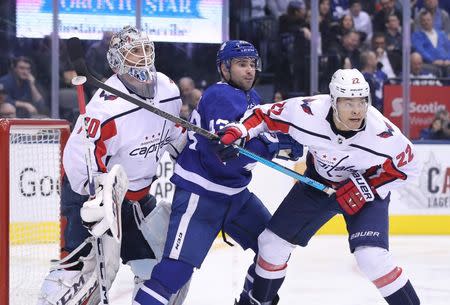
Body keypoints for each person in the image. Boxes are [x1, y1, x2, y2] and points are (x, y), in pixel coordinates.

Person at [219, 68, 421, 305]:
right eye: (348, 102)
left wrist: (367, 185)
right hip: (318, 185)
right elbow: (263, 116)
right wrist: (238, 130)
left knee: (372, 258)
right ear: (333, 101)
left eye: (362, 101)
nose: (357, 109)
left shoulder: (383, 133)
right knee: (271, 244)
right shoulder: (307, 111)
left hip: (366, 191)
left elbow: (410, 167)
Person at [132, 40, 303, 305]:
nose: (249, 71)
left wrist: (279, 140)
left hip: (236, 196)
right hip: (201, 197)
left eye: (252, 65)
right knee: (174, 273)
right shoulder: (219, 96)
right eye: (241, 64)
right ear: (224, 68)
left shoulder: (252, 99)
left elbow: (253, 143)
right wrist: (276, 145)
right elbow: (227, 158)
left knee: (273, 251)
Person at [37, 25, 189, 305]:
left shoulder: (167, 90)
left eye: (146, 49)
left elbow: (175, 139)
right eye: (133, 53)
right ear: (117, 62)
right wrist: (95, 200)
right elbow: (79, 167)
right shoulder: (105, 110)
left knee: (166, 272)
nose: (143, 57)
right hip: (91, 199)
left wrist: (199, 165)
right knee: (80, 279)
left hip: (137, 199)